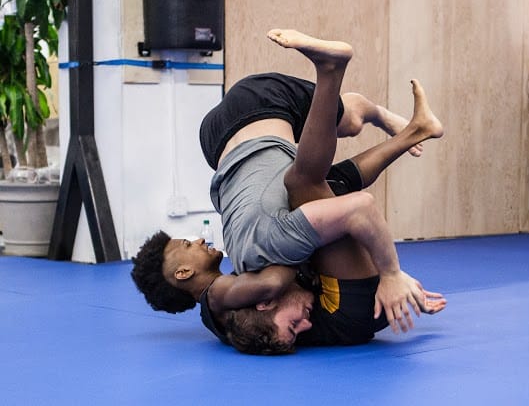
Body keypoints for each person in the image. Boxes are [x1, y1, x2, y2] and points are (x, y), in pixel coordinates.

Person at [131, 29, 444, 347]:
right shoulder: (240, 276)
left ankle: (375, 108)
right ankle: (404, 124)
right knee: (325, 177)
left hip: (254, 113)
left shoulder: (230, 290)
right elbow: (270, 285)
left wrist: (388, 273)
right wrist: (386, 271)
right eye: (188, 244)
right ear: (183, 273)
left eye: (294, 326)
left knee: (336, 147)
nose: (198, 239)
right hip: (229, 134)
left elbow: (272, 283)